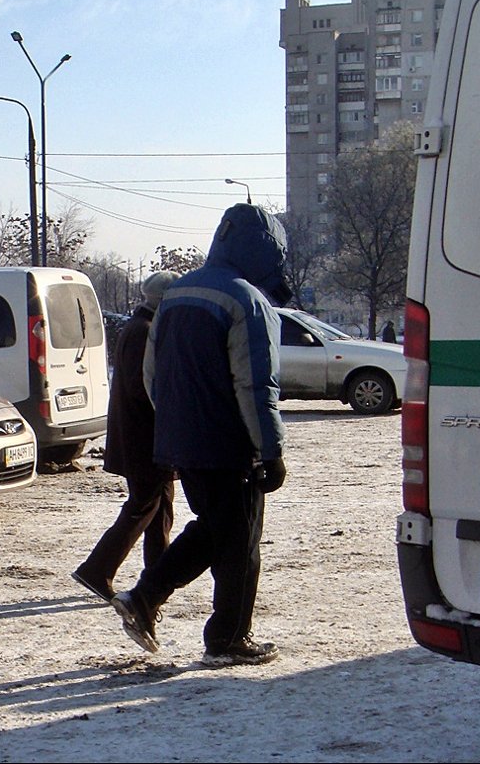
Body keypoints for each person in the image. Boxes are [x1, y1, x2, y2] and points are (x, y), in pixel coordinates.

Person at [110, 202, 291, 668]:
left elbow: (153, 376)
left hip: (182, 442)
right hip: (231, 448)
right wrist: (270, 450)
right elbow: (254, 385)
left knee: (216, 531)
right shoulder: (248, 301)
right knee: (239, 542)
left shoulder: (175, 294)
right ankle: (225, 637)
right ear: (266, 251)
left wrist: (176, 423)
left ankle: (148, 598)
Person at [72, 271, 180, 603]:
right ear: (164, 300)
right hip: (145, 440)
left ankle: (157, 576)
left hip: (146, 438)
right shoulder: (145, 333)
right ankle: (97, 570)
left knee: (159, 506)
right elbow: (144, 390)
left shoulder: (142, 329)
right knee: (144, 505)